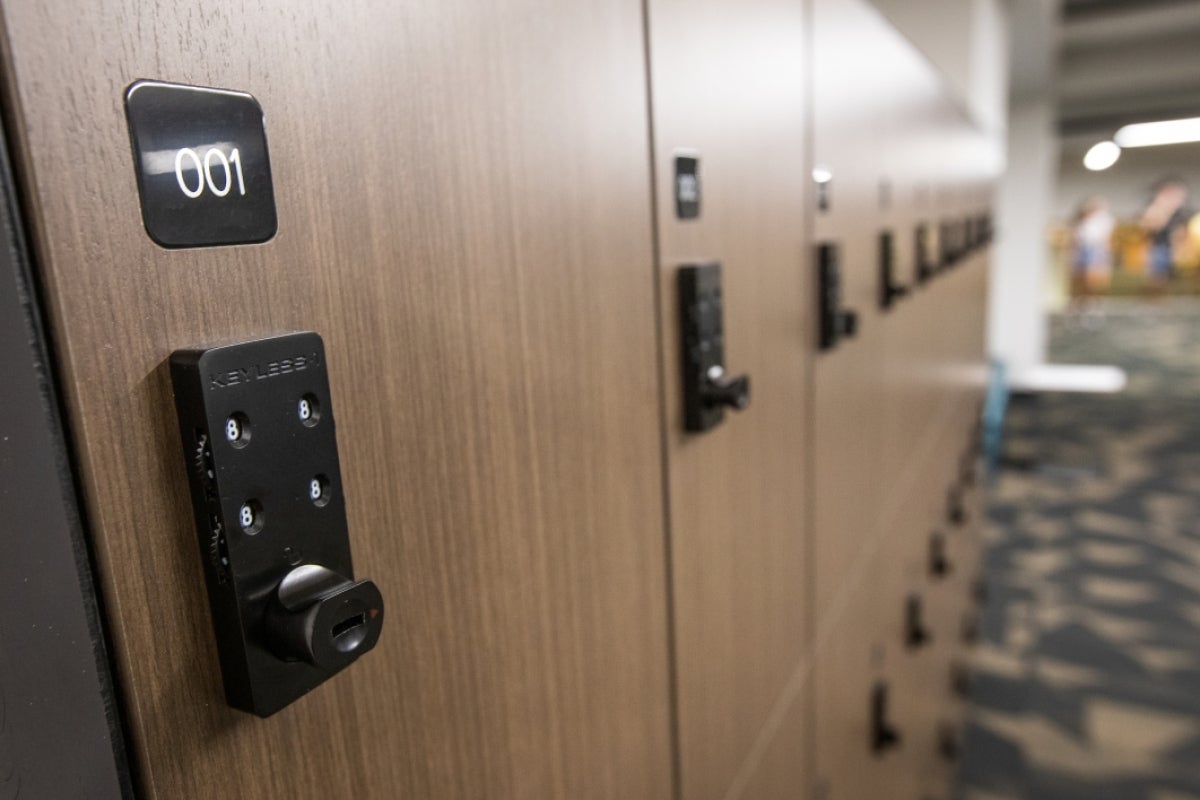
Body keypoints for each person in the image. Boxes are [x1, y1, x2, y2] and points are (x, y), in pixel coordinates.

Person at [1141, 178, 1191, 292]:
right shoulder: (1155, 209)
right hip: (1158, 246)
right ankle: (1154, 303)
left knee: (1172, 277)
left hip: (1173, 248)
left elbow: (1182, 231)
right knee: (1156, 277)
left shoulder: (1180, 213)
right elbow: (1149, 227)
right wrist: (1164, 209)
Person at [1071, 196, 1115, 311]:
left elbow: (1104, 238)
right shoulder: (1081, 221)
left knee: (1095, 281)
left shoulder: (1104, 219)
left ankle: (1095, 306)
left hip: (1096, 249)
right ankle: (1081, 305)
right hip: (1084, 249)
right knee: (1081, 280)